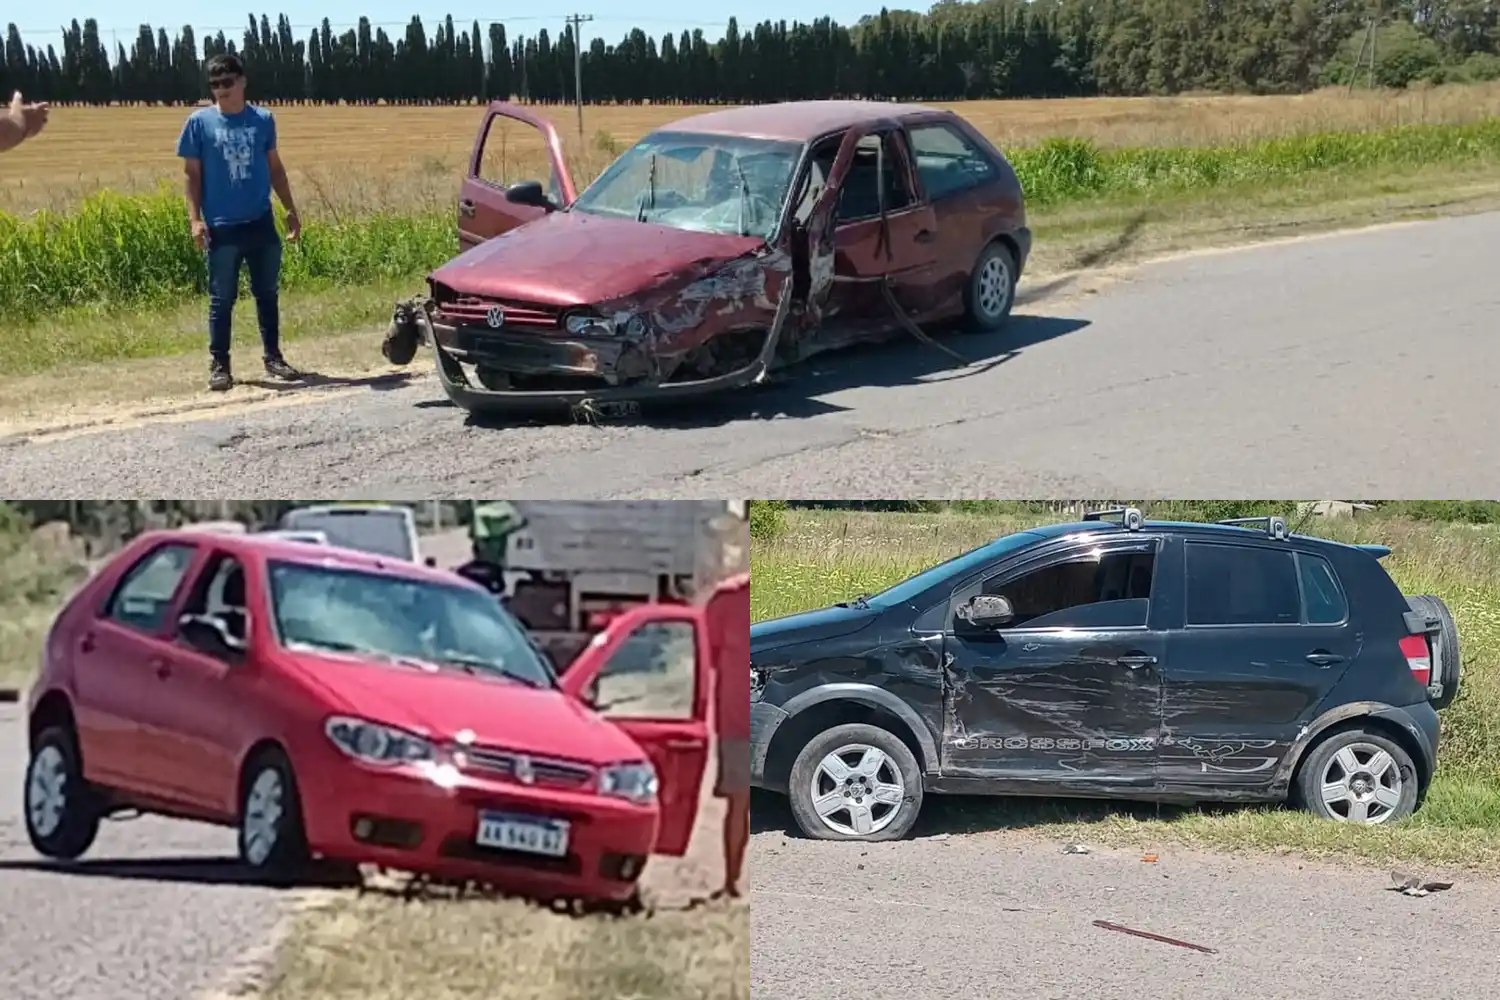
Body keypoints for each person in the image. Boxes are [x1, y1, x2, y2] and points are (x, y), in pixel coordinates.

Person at [176, 53, 303, 392]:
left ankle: (273, 357)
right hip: (221, 226)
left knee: (267, 294)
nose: (221, 90)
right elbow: (192, 176)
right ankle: (220, 364)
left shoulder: (263, 119)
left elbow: (275, 168)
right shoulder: (198, 124)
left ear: (242, 81)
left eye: (227, 83)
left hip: (260, 221)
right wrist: (195, 220)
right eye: (214, 85)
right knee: (222, 298)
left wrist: (290, 208)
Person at [705, 571, 750, 899]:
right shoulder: (726, 599)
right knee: (737, 803)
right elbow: (703, 659)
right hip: (734, 721)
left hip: (772, 712)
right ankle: (731, 880)